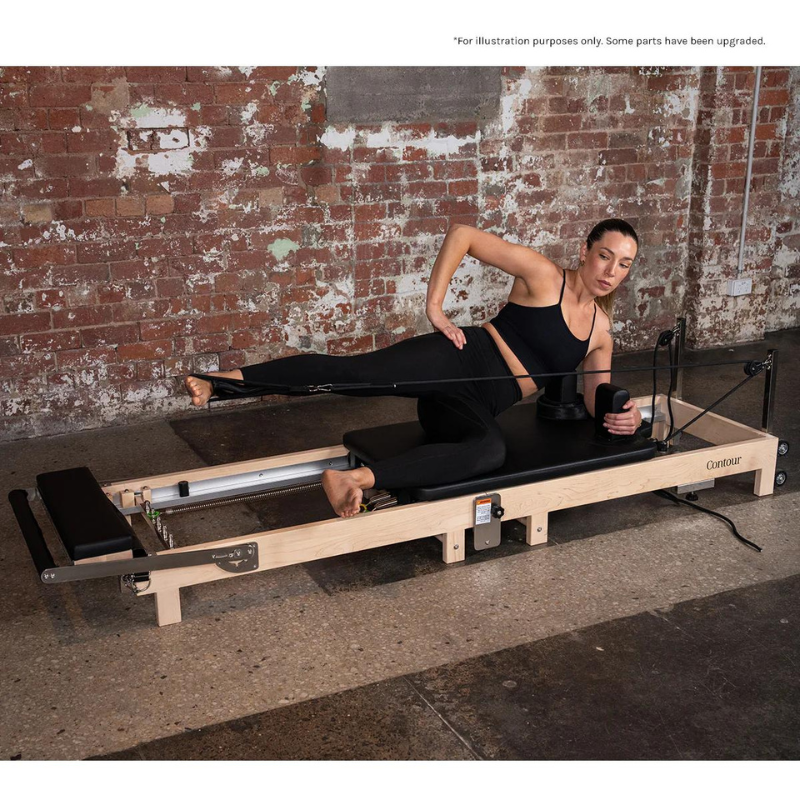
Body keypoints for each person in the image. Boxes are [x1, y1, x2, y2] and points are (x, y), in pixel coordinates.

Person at [185, 218, 642, 518]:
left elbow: (594, 398)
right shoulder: (545, 275)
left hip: (469, 406)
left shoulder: (600, 330)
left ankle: (352, 480)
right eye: (605, 256)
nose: (611, 271)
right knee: (357, 375)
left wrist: (627, 414)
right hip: (460, 356)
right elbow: (463, 234)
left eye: (623, 265)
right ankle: (223, 384)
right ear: (585, 250)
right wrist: (436, 308)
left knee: (488, 451)